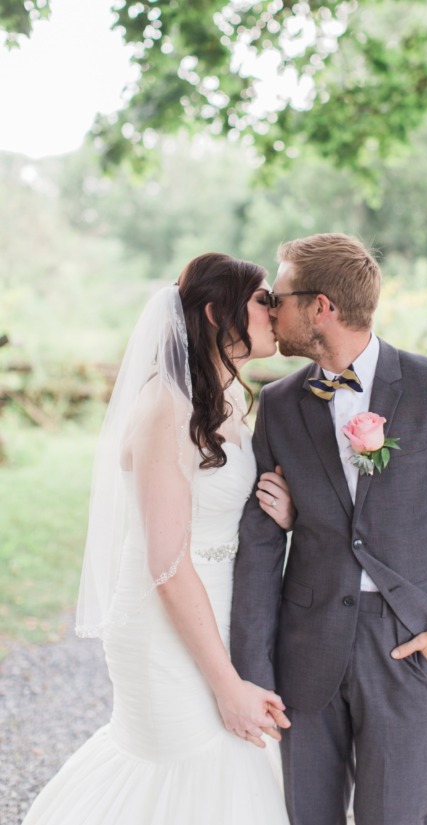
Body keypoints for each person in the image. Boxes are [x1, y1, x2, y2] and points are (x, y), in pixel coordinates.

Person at [231, 233, 427, 825]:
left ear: (321, 307)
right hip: (305, 651)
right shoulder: (279, 402)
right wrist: (252, 673)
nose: (269, 310)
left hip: (407, 647)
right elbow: (260, 542)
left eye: (277, 297)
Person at [22, 253, 294, 825]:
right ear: (220, 314)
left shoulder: (227, 402)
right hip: (163, 624)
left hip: (217, 612)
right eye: (263, 299)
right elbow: (167, 566)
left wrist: (282, 514)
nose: (275, 311)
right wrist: (227, 685)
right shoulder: (165, 409)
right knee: (181, 771)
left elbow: (222, 512)